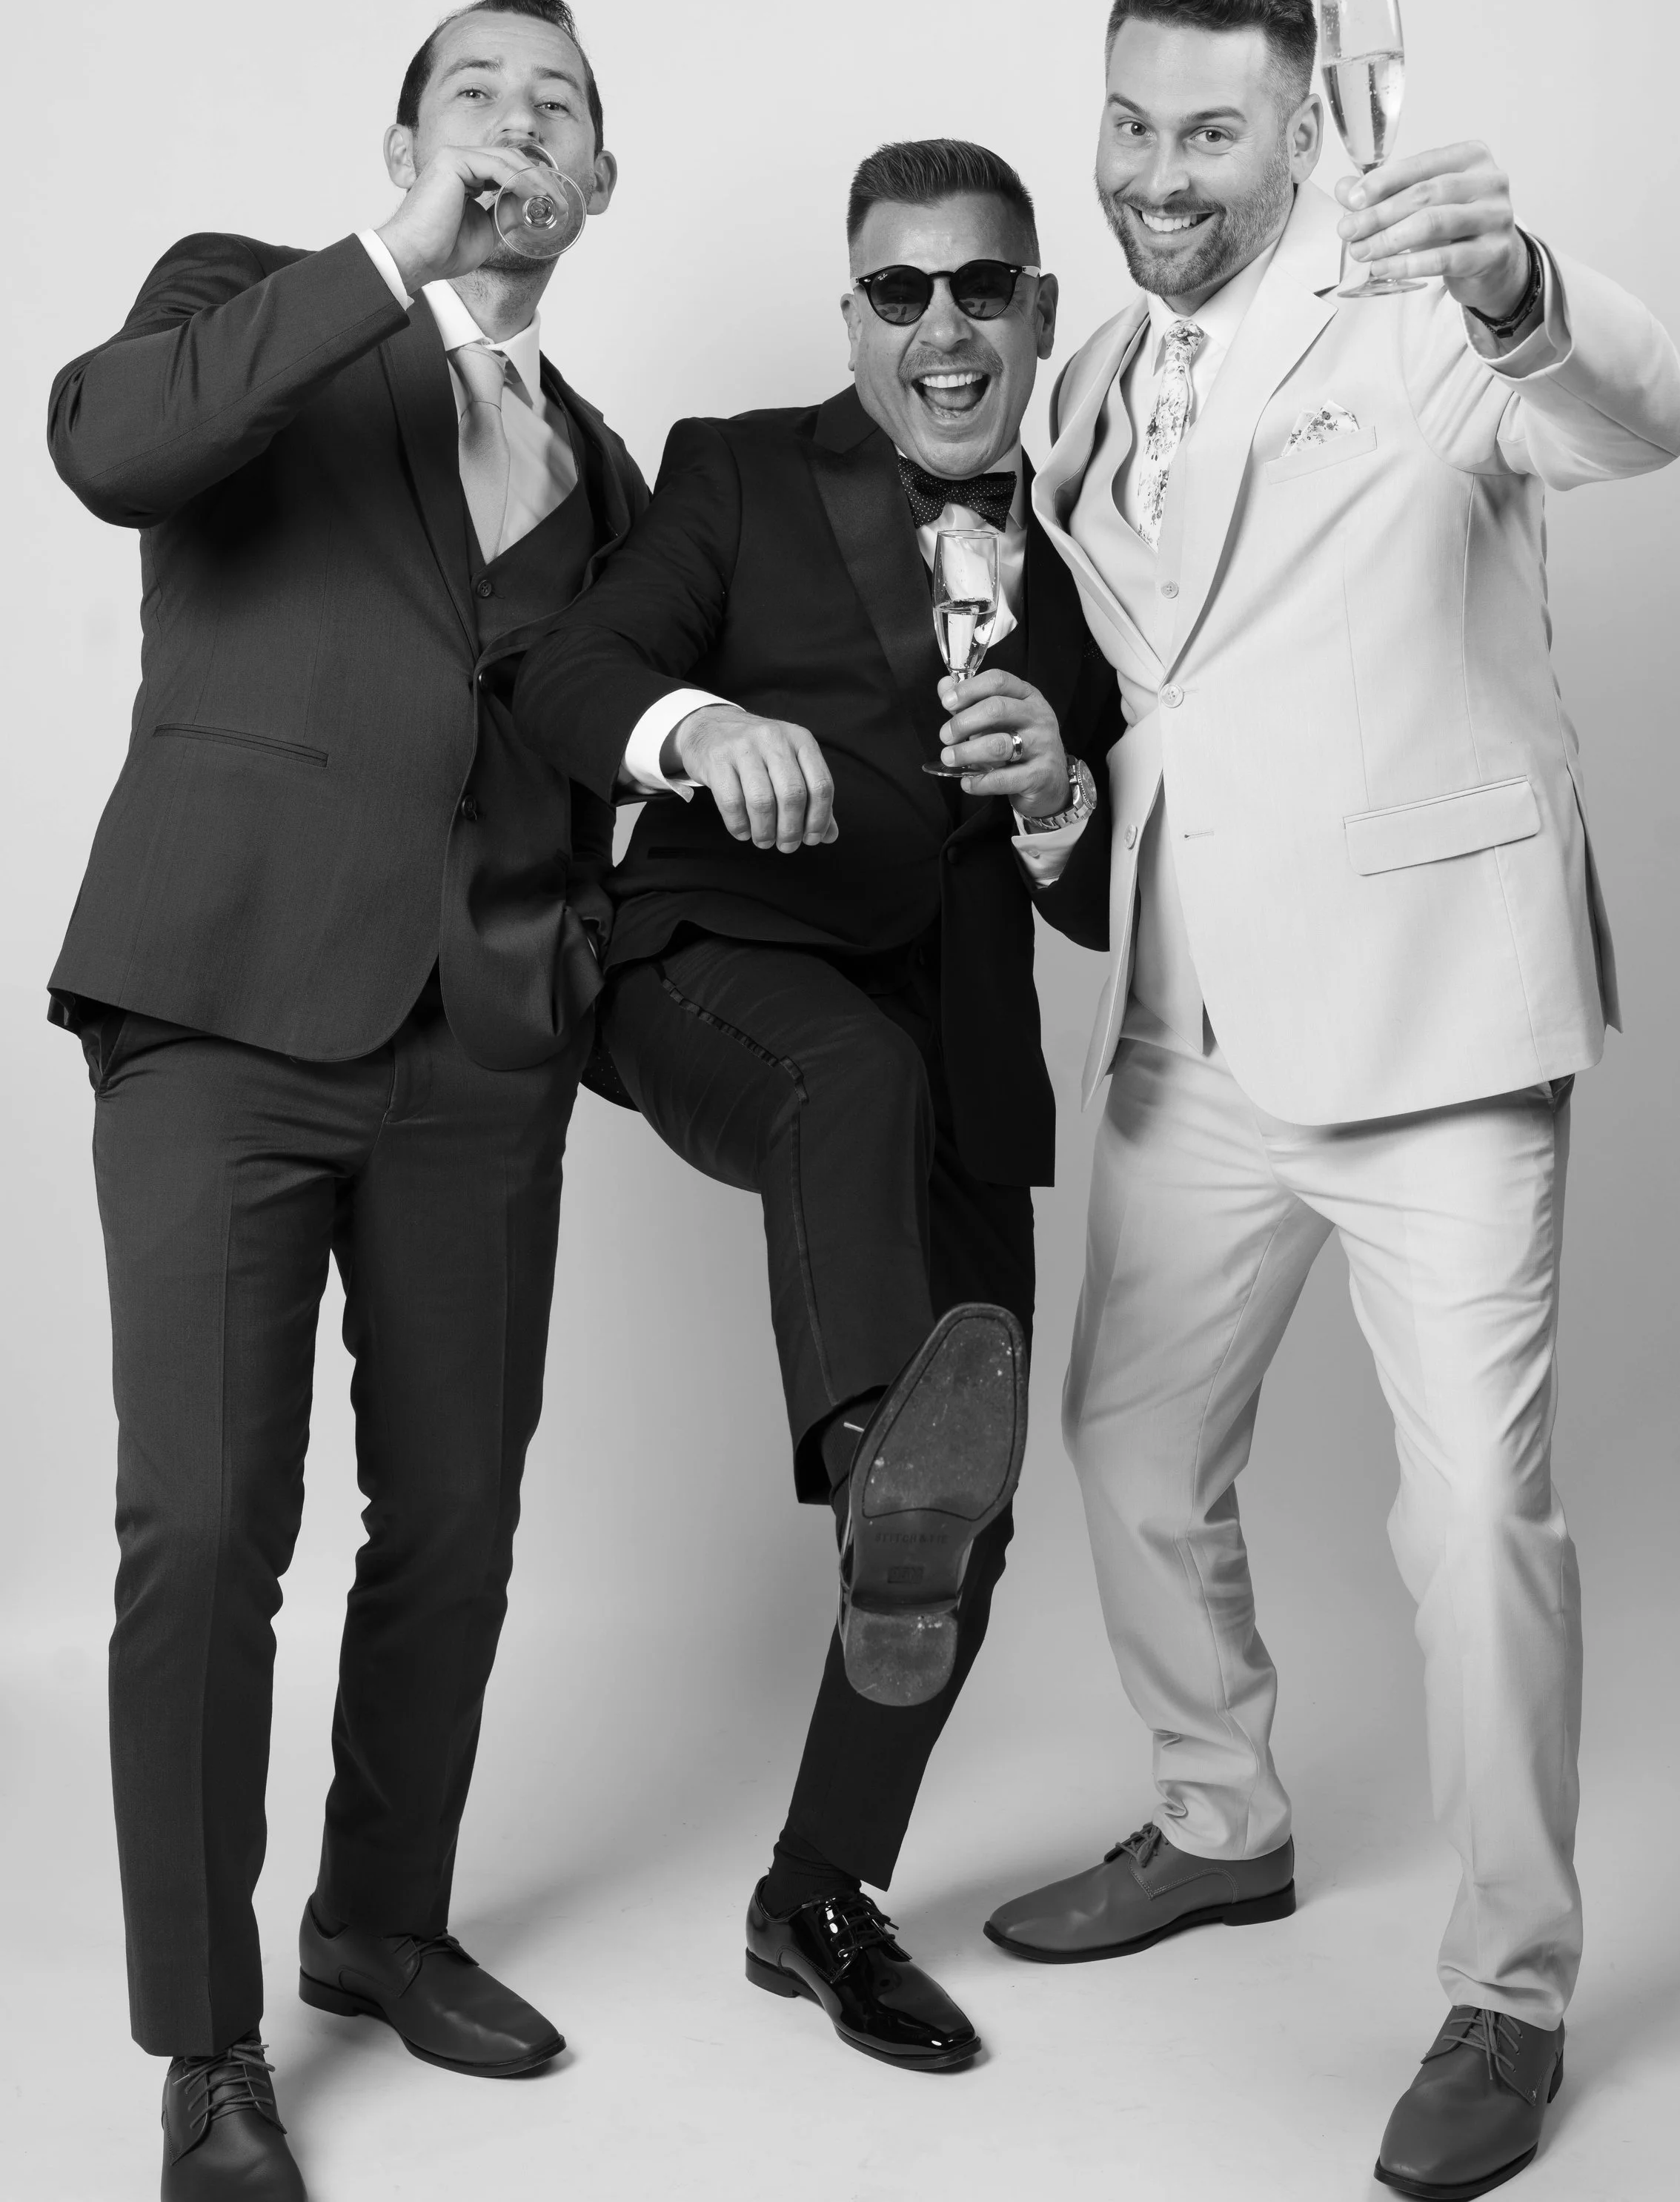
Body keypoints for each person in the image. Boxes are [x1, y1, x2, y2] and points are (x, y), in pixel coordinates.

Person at [982, 0, 1680, 2198]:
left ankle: (1508, 1988)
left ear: (1299, 129)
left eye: (1206, 131)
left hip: (1432, 1025)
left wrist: (1518, 282)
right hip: (1191, 1015)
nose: (1155, 173)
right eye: (1127, 123)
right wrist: (1077, 821)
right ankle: (1221, 1816)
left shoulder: (1422, 310)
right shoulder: (1097, 372)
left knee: (1471, 1513)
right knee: (1118, 1442)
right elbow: (1173, 683)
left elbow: (1635, 417)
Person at [47, 0, 648, 2201]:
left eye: (557, 103)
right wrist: (390, 250)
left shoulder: (606, 461)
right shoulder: (248, 311)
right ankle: (208, 2042)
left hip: (482, 1049)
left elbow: (603, 742)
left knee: (461, 1522)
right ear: (402, 140)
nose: (516, 123)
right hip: (218, 1009)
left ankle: (379, 1917)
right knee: (205, 1528)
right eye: (474, 91)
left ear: (603, 181)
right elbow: (111, 447)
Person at [512, 138, 1118, 2072]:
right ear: (853, 314)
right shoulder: (738, 472)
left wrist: (1050, 799)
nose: (941, 328)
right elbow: (573, 671)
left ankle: (817, 1894)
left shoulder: (1114, 538)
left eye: (979, 289)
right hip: (720, 957)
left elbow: (1112, 876)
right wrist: (703, 728)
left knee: (973, 1523)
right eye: (897, 291)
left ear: (1038, 309)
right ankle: (878, 1445)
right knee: (840, 1092)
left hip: (953, 1034)